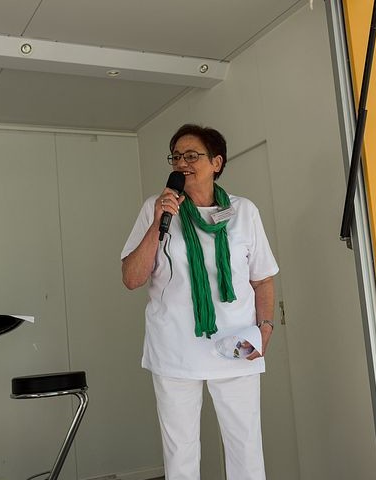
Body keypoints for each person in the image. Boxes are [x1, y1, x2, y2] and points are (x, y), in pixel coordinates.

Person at [121, 124, 279, 480]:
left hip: (237, 344)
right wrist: (158, 222)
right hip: (175, 347)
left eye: (192, 155)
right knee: (180, 452)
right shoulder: (155, 209)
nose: (182, 163)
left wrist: (265, 329)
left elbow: (262, 279)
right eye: (176, 156)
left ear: (216, 162)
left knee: (245, 446)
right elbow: (131, 278)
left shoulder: (244, 211)